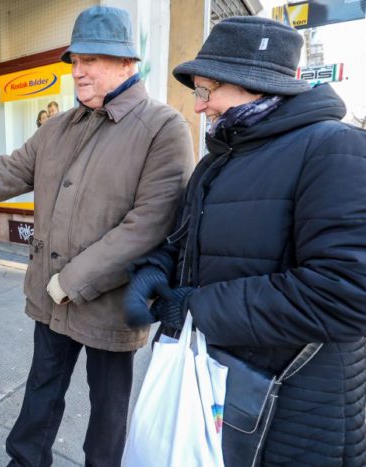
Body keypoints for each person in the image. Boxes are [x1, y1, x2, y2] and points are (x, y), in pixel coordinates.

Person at [0, 6, 193, 466]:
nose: (79, 71)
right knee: (42, 386)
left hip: (107, 299)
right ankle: (25, 461)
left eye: (93, 60)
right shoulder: (59, 127)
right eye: (75, 60)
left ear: (128, 64)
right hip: (50, 294)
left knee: (108, 406)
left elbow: (150, 223)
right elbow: (5, 171)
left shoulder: (162, 128)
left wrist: (73, 280)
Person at [124, 16, 366, 465]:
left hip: (296, 410)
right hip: (216, 388)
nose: (198, 106)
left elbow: (346, 293)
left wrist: (196, 307)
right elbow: (185, 241)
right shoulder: (218, 159)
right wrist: (155, 268)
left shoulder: (337, 150)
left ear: (253, 84)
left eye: (205, 90)